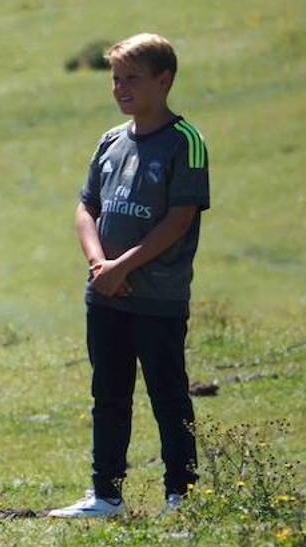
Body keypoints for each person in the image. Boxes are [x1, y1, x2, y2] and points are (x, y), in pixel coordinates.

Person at [49, 33, 210, 519]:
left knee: (168, 396)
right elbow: (86, 206)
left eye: (132, 79)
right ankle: (106, 494)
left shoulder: (186, 142)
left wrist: (122, 267)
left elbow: (179, 219)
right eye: (115, 79)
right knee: (108, 395)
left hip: (155, 298)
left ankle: (182, 495)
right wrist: (100, 265)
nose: (120, 88)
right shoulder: (111, 141)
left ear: (164, 80)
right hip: (106, 297)